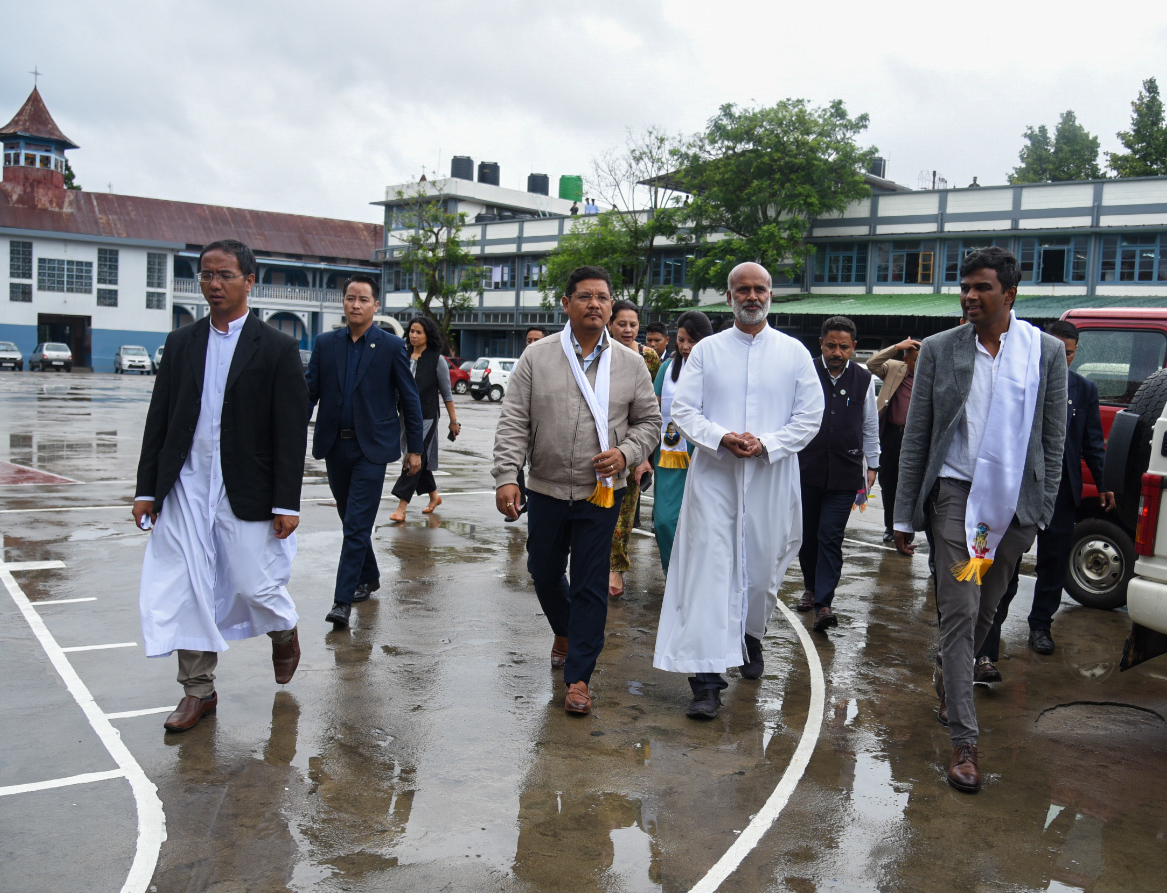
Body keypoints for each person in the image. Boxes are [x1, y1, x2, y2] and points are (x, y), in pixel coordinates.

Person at [894, 246, 1067, 793]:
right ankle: (965, 742)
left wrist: (1041, 511)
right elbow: (918, 435)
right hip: (954, 501)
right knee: (961, 613)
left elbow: (1053, 436)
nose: (969, 296)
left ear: (1010, 294)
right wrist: (902, 514)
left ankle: (951, 672)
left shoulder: (1045, 352)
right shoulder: (944, 350)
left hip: (1014, 509)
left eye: (982, 288)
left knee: (986, 610)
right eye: (964, 287)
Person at [133, 239, 309, 733]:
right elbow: (160, 419)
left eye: (224, 275)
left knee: (255, 583)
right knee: (190, 585)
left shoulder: (277, 348)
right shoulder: (183, 342)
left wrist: (285, 501)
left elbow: (290, 431)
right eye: (206, 275)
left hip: (246, 487)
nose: (213, 284)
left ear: (249, 281)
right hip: (186, 484)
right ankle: (198, 691)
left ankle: (284, 630)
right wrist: (147, 488)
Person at [653, 262, 823, 720]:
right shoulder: (707, 351)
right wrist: (722, 438)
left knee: (762, 572)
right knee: (709, 573)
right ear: (729, 297)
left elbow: (809, 417)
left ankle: (750, 636)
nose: (752, 296)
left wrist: (767, 443)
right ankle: (705, 683)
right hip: (714, 480)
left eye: (760, 289)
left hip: (771, 479)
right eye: (742, 289)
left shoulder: (794, 353)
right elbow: (685, 411)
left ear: (772, 295)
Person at [493, 266, 660, 715]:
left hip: (602, 493)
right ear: (566, 304)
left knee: (590, 584)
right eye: (584, 296)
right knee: (543, 571)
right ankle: (564, 629)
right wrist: (507, 475)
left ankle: (580, 677)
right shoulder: (539, 356)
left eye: (603, 297)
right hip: (546, 488)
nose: (595, 304)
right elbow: (513, 421)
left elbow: (650, 423)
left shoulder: (630, 364)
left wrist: (626, 453)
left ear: (611, 304)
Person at [974, 320, 1115, 679]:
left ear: (1076, 352)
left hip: (1060, 490)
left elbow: (1092, 442)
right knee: (1003, 570)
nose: (1061, 359)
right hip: (1017, 489)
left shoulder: (1084, 389)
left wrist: (1103, 483)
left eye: (1068, 354)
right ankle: (986, 648)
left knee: (1053, 563)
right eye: (1056, 351)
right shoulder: (1020, 380)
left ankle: (1041, 626)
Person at [306, 274, 424, 629]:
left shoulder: (390, 346)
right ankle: (369, 575)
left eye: (363, 299)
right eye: (350, 298)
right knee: (350, 520)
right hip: (334, 446)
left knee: (356, 524)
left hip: (371, 449)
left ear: (376, 306)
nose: (355, 305)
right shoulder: (326, 343)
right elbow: (308, 393)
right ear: (343, 303)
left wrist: (415, 449)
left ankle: (342, 600)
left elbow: (410, 399)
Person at [796, 316, 880, 631]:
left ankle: (823, 604)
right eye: (831, 345)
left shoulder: (864, 379)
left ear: (854, 348)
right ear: (821, 344)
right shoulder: (805, 375)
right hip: (806, 470)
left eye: (844, 347)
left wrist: (873, 465)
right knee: (807, 535)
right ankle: (811, 586)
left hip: (845, 474)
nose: (837, 352)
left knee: (830, 535)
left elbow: (870, 426)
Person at [606, 299, 661, 598]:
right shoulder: (600, 354)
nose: (627, 330)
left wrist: (646, 458)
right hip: (602, 443)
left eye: (633, 324)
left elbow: (651, 413)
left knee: (626, 513)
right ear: (610, 325)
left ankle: (616, 568)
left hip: (635, 446)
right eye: (621, 324)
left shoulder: (649, 358)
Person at [652, 310, 713, 572]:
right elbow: (652, 414)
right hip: (671, 454)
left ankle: (699, 580)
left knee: (705, 523)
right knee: (666, 520)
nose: (686, 347)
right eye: (682, 340)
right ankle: (674, 575)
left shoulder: (718, 370)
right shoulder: (667, 370)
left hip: (708, 455)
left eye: (693, 341)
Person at [389, 317, 461, 522]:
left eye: (419, 332)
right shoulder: (402, 355)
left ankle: (402, 507)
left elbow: (447, 394)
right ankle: (434, 496)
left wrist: (453, 421)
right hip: (404, 415)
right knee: (422, 461)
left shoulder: (436, 359)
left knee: (412, 459)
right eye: (412, 331)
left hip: (426, 417)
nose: (414, 335)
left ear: (428, 335)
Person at [867, 336, 921, 542]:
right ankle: (890, 526)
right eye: (915, 359)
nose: (919, 363)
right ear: (906, 359)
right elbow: (873, 363)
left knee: (910, 485)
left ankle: (907, 528)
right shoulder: (895, 368)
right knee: (889, 482)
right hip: (892, 435)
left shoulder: (930, 375)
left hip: (915, 439)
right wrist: (897, 347)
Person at [507, 326, 550, 523]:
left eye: (537, 340)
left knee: (537, 467)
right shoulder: (521, 364)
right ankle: (517, 504)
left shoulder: (553, 364)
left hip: (544, 428)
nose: (532, 344)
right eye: (529, 340)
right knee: (516, 463)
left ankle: (534, 504)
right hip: (524, 425)